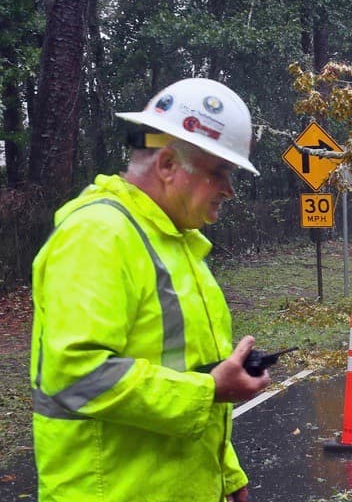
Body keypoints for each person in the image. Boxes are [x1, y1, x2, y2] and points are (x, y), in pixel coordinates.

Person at [30, 78, 271, 501]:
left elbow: (190, 368)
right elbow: (75, 375)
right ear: (166, 165)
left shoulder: (172, 242)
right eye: (219, 172)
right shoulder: (98, 236)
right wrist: (211, 390)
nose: (229, 190)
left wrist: (225, 472)